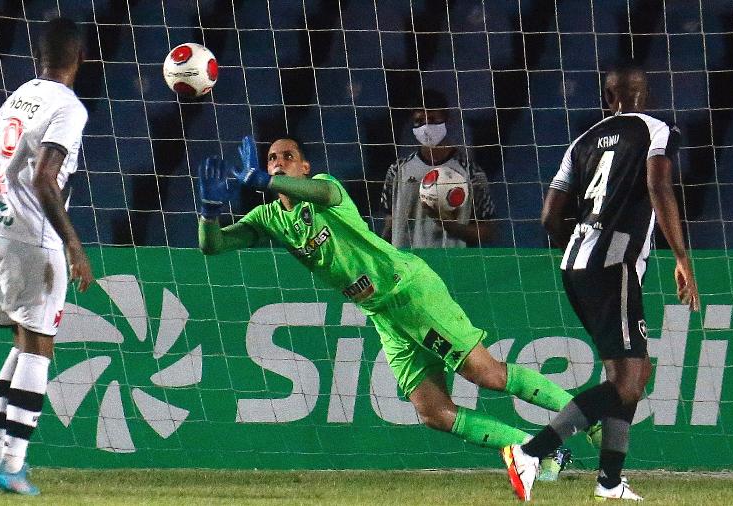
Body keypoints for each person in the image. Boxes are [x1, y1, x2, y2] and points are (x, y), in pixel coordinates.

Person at [198, 135, 598, 471]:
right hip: (382, 313)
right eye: (272, 159)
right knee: (434, 412)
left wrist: (264, 182)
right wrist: (209, 212)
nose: (279, 162)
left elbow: (320, 191)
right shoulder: (270, 219)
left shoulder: (323, 188)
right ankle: (541, 455)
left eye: (289, 157)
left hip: (407, 289)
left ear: (305, 167)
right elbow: (213, 246)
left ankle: (589, 416)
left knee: (487, 375)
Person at [502, 67, 700, 502]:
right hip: (616, 264)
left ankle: (610, 481)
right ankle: (531, 452)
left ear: (609, 97)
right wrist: (682, 257)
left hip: (576, 261)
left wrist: (577, 247)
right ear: (643, 95)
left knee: (627, 372)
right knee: (629, 381)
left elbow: (549, 217)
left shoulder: (581, 141)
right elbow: (658, 184)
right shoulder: (656, 130)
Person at [0, 17, 92, 495]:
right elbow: (45, 178)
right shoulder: (69, 107)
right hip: (31, 237)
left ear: (38, 56)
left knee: (23, 341)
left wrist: (1, 212)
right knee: (40, 345)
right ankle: (13, 463)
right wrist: (72, 242)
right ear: (79, 58)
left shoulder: (18, 94)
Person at [382, 89, 495, 247]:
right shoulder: (397, 171)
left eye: (433, 119)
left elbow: (488, 231)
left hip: (451, 265)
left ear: (446, 119)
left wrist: (453, 228)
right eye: (419, 121)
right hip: (408, 265)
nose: (426, 126)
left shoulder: (472, 173)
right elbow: (390, 224)